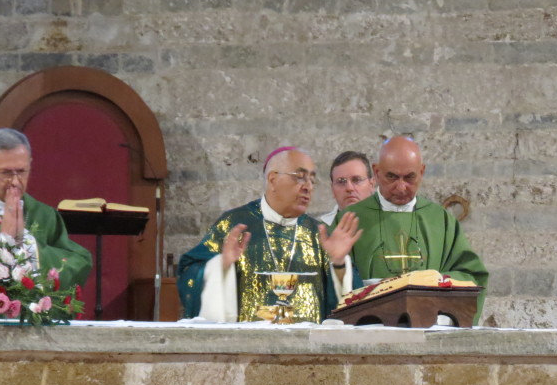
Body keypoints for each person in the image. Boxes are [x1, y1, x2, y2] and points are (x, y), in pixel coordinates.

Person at [178, 147, 363, 323]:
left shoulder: (318, 233)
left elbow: (350, 304)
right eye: (300, 177)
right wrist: (221, 266)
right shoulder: (234, 224)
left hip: (308, 350)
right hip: (248, 349)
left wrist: (339, 265)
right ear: (273, 179)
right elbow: (189, 276)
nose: (308, 187)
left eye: (312, 180)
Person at [345, 136, 489, 322]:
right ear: (376, 171)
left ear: (422, 171)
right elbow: (332, 282)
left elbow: (472, 276)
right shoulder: (351, 219)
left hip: (430, 331)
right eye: (392, 177)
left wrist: (435, 281)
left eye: (410, 177)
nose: (401, 187)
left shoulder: (441, 220)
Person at [0, 128, 92, 288]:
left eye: (22, 172)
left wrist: (28, 245)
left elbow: (78, 262)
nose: (15, 182)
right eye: (6, 173)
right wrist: (4, 243)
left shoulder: (45, 215)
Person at [317, 150, 377, 225]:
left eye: (356, 180)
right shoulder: (318, 231)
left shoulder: (391, 226)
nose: (349, 188)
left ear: (371, 184)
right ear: (332, 189)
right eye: (341, 181)